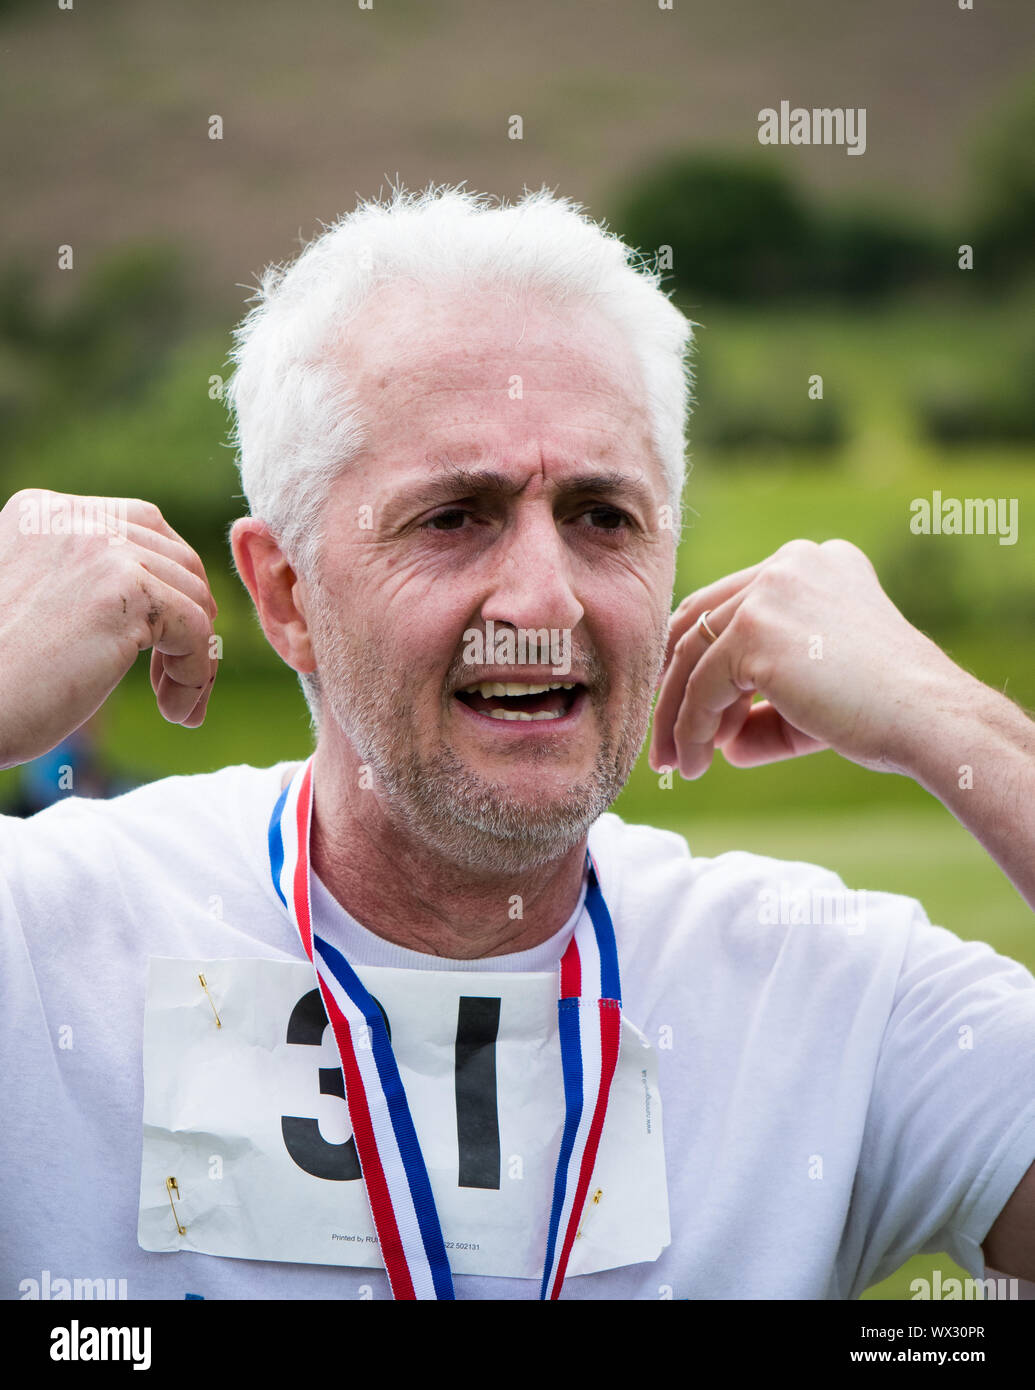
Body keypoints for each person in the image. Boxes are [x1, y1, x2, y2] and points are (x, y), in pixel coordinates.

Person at [2, 185, 1033, 1302]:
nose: (545, 598)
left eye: (604, 517)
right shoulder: (40, 936)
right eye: (455, 516)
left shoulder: (830, 985)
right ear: (287, 594)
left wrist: (952, 721)